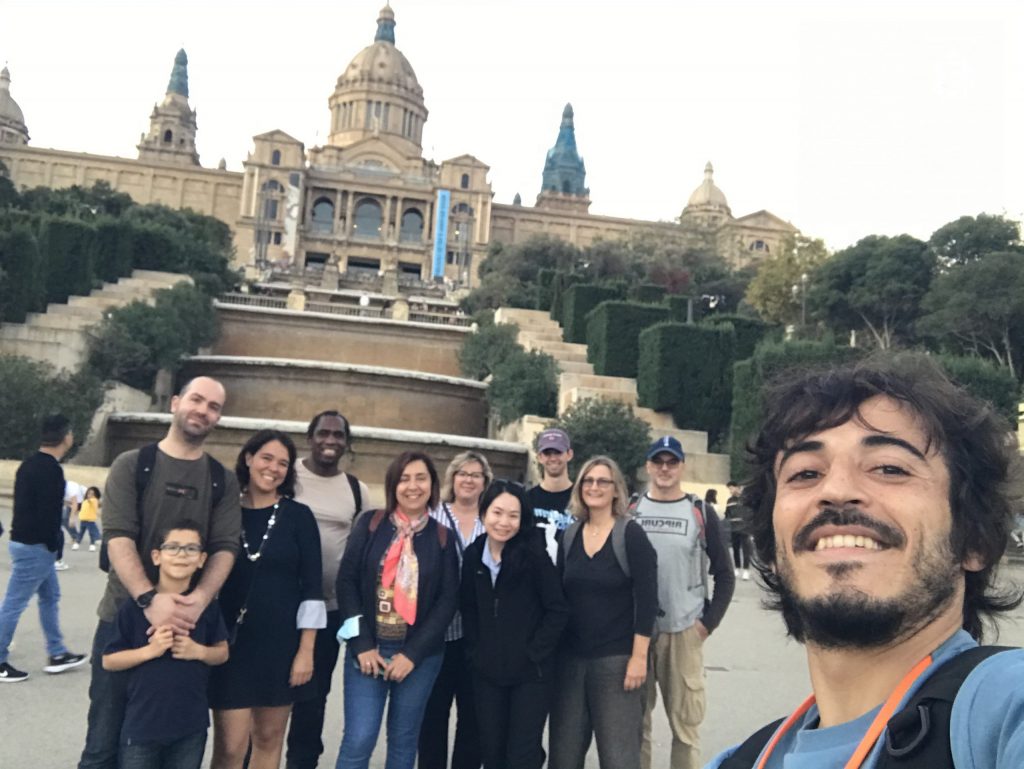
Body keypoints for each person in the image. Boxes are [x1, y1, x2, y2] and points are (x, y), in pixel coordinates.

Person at [707, 354, 1024, 769]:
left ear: (975, 541)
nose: (836, 490)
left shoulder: (1005, 711)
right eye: (805, 473)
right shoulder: (738, 762)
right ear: (772, 550)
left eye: (889, 468)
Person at [79, 377, 242, 769]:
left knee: (172, 744)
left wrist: (198, 602)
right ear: (174, 403)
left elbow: (225, 547)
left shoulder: (222, 479)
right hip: (123, 617)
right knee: (103, 742)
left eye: (213, 406)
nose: (203, 410)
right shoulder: (133, 465)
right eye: (196, 400)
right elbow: (118, 537)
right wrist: (150, 601)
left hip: (189, 624)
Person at [334, 451, 459, 769]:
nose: (413, 486)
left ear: (432, 486)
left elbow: (447, 600)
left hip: (419, 657)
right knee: (358, 739)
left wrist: (413, 655)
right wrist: (360, 644)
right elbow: (346, 583)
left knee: (404, 743)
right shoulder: (371, 524)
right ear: (393, 485)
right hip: (369, 652)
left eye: (421, 478)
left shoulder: (443, 536)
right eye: (404, 478)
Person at [210, 430, 326, 769]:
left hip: (282, 646)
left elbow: (312, 589)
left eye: (283, 464)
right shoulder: (225, 511)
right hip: (231, 643)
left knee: (268, 739)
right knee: (230, 747)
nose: (273, 468)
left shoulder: (299, 516)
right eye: (266, 458)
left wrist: (306, 652)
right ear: (248, 458)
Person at [632, 437, 735, 769]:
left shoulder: (699, 512)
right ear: (648, 466)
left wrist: (706, 625)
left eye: (671, 462)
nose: (664, 468)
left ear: (681, 467)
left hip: (683, 630)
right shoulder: (631, 511)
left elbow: (725, 574)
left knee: (686, 729)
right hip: (637, 633)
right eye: (658, 462)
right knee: (636, 726)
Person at [549, 456, 658, 769]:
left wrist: (639, 658)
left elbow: (647, 598)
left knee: (618, 757)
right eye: (588, 481)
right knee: (564, 756)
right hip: (571, 661)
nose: (594, 487)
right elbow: (559, 598)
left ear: (616, 490)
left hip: (617, 662)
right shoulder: (569, 536)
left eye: (602, 481)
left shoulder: (630, 535)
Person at [102, 520, 230, 768]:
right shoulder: (135, 607)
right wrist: (150, 651)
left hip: (190, 727)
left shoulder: (205, 608)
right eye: (173, 547)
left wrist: (199, 651)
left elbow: (222, 653)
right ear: (157, 556)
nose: (182, 555)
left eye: (191, 549)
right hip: (142, 727)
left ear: (202, 559)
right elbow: (109, 660)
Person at [460, 480, 569, 769]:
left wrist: (534, 654)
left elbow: (557, 610)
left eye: (513, 515)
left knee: (521, 755)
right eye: (497, 513)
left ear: (523, 520)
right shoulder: (474, 555)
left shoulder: (534, 556)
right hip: (487, 673)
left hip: (530, 675)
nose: (504, 522)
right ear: (484, 513)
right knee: (492, 752)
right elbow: (468, 609)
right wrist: (476, 651)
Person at [286, 410, 372, 769]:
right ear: (310, 437)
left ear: (347, 443)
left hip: (328, 611)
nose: (330, 441)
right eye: (324, 433)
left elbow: (365, 550)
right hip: (276, 607)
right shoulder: (286, 477)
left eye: (339, 436)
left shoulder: (357, 490)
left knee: (312, 698)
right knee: (262, 697)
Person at [0, 413, 87, 682]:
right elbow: (48, 514)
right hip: (36, 546)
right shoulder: (51, 470)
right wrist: (54, 545)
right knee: (15, 602)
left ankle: (57, 651)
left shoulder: (28, 465)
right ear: (65, 437)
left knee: (50, 597)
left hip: (26, 542)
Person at [419, 451, 493, 769]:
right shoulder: (432, 515)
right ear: (452, 477)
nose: (468, 479)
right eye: (462, 473)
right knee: (431, 715)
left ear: (485, 482)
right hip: (437, 633)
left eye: (476, 475)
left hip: (477, 635)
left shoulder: (493, 519)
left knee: (473, 717)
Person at [525, 428, 576, 563]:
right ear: (540, 457)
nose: (553, 458)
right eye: (547, 453)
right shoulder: (526, 499)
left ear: (569, 454)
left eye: (558, 452)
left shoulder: (582, 498)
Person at [724, 480, 753, 581]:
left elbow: (751, 513)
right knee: (736, 549)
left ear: (737, 487)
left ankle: (746, 571)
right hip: (734, 529)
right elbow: (727, 514)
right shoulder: (729, 501)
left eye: (731, 488)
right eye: (729, 489)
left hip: (745, 529)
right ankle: (737, 568)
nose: (730, 491)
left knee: (746, 550)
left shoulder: (746, 499)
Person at [59, 478, 85, 566]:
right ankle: (75, 536)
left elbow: (75, 504)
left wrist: (72, 517)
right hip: (71, 502)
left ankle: (76, 537)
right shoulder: (60, 487)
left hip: (81, 501)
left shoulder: (71, 488)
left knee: (67, 519)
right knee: (63, 519)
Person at [77, 486, 103, 553]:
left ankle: (94, 543)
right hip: (83, 519)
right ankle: (77, 543)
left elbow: (92, 503)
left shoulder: (94, 500)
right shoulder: (85, 501)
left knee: (92, 532)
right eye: (89, 493)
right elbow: (82, 509)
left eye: (92, 494)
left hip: (90, 520)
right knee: (81, 532)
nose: (90, 495)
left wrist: (89, 499)